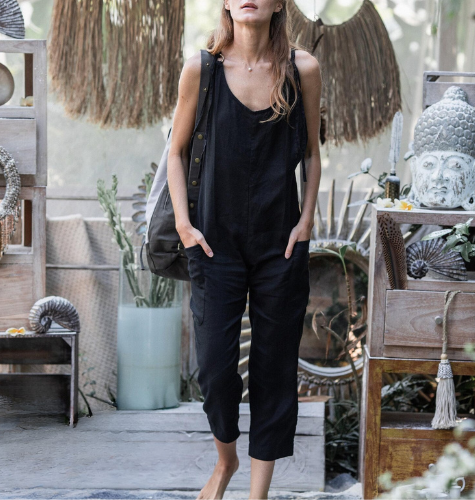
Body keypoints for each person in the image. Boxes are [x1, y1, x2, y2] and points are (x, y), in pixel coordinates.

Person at [168, 1, 321, 498]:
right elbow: (176, 151)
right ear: (226, 4)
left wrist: (306, 220)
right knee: (215, 369)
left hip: (281, 243)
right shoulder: (203, 70)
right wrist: (185, 225)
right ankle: (225, 460)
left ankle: (258, 494)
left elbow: (312, 153)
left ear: (279, 3)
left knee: (275, 369)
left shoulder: (302, 69)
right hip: (214, 243)